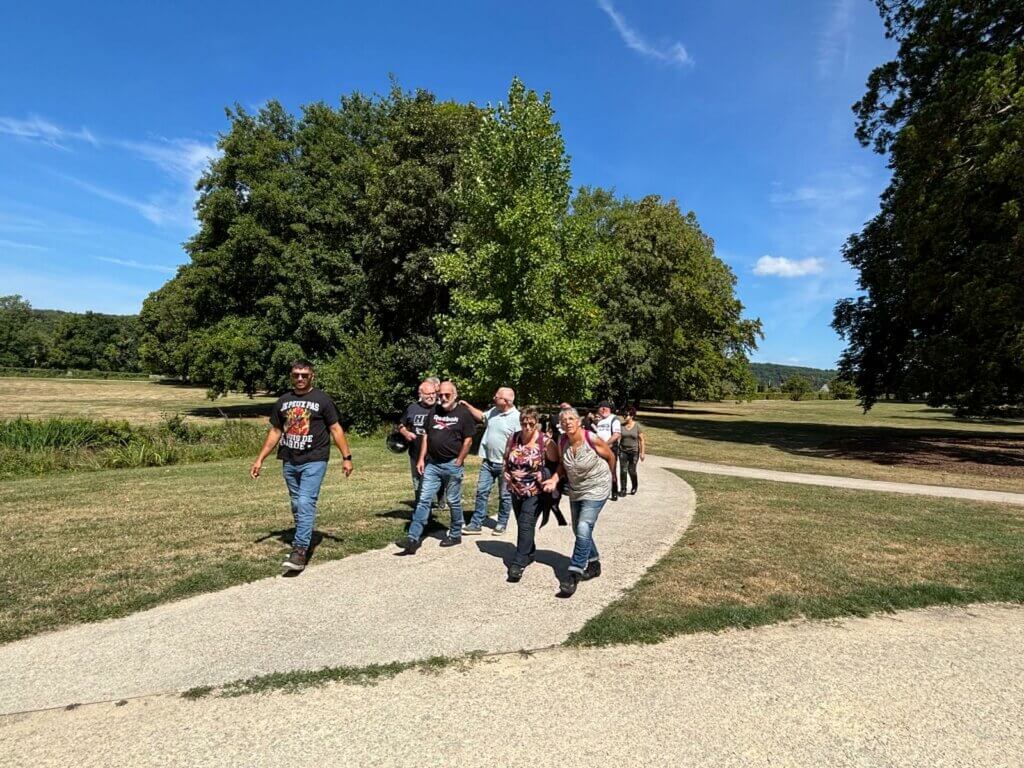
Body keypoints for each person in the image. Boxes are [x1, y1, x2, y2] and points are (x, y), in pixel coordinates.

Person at [251, 360, 353, 572]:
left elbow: (335, 428)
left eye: (304, 375)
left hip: (315, 459)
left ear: (311, 376)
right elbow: (275, 431)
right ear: (291, 376)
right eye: (296, 375)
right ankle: (303, 533)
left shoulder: (322, 400)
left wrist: (346, 457)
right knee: (297, 503)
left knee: (306, 501)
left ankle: (299, 551)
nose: (300, 378)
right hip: (289, 460)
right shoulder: (283, 401)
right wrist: (260, 459)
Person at [542, 407, 616, 597]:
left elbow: (610, 456)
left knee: (584, 526)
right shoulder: (562, 441)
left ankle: (574, 572)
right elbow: (561, 465)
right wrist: (554, 479)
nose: (567, 422)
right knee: (578, 529)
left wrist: (612, 476)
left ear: (579, 421)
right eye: (563, 420)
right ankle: (594, 563)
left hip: (597, 487)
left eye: (571, 418)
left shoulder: (591, 438)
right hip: (577, 489)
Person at [395, 380, 476, 554]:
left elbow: (468, 439)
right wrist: (422, 459)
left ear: (455, 395)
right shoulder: (434, 411)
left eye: (447, 395)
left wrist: (460, 459)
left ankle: (455, 534)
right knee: (423, 499)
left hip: (452, 464)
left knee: (453, 500)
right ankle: (413, 538)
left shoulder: (463, 414)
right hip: (432, 464)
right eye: (441, 395)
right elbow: (425, 436)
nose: (443, 398)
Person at [503, 406, 559, 582]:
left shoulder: (545, 441)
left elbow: (557, 462)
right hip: (515, 488)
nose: (527, 427)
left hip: (535, 490)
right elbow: (506, 459)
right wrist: (505, 471)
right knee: (522, 522)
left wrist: (550, 478)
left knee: (526, 523)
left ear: (537, 424)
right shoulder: (514, 437)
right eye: (524, 423)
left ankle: (518, 563)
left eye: (531, 424)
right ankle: (529, 552)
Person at [462, 387, 520, 535]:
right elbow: (482, 417)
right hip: (488, 462)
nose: (494, 398)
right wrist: (467, 406)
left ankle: (501, 523)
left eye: (497, 397)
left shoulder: (517, 418)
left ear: (506, 401)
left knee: (505, 496)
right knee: (482, 492)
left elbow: (520, 443)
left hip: (505, 465)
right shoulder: (494, 411)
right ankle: (476, 523)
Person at [397, 380, 436, 503]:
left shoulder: (440, 408)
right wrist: (406, 433)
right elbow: (400, 425)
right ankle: (420, 504)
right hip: (415, 453)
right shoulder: (412, 408)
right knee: (417, 482)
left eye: (433, 393)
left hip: (435, 455)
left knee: (435, 482)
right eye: (428, 394)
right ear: (421, 394)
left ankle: (440, 500)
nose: (431, 396)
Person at [592, 401, 622, 500]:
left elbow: (616, 435)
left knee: (611, 470)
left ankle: (614, 492)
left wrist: (606, 445)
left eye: (599, 408)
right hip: (600, 449)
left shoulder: (614, 419)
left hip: (610, 449)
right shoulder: (600, 421)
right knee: (599, 470)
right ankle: (601, 491)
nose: (598, 411)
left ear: (604, 409)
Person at [618, 407, 645, 495]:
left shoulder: (637, 426)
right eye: (624, 414)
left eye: (626, 415)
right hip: (623, 451)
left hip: (634, 452)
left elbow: (641, 440)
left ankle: (634, 486)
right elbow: (618, 438)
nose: (624, 416)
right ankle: (623, 489)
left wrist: (642, 453)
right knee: (623, 470)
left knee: (631, 470)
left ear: (632, 415)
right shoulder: (621, 426)